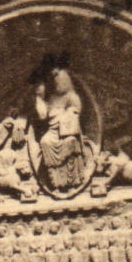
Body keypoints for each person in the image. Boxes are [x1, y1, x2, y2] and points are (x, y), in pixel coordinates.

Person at [36, 64, 86, 192]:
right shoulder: (52, 98)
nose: (56, 84)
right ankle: (56, 183)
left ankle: (72, 182)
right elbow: (42, 116)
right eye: (54, 82)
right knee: (45, 141)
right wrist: (39, 99)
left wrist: (65, 114)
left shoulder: (71, 96)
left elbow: (77, 111)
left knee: (70, 142)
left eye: (58, 81)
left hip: (67, 131)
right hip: (53, 131)